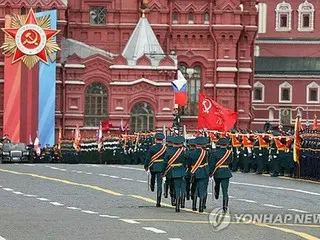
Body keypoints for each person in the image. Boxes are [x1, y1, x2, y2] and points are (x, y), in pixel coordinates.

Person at [163, 136, 187, 212]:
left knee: (171, 186)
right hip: (180, 171)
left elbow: (165, 162)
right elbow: (186, 162)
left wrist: (163, 171)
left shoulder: (168, 151)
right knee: (178, 188)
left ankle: (173, 198)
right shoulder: (184, 151)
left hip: (170, 171)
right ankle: (178, 203)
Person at [209, 137, 233, 213]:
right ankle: (225, 206)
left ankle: (216, 190)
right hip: (226, 171)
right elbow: (231, 161)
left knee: (217, 183)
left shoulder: (214, 153)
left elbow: (212, 164)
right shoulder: (229, 153)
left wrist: (211, 172)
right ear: (227, 145)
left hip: (217, 171)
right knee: (225, 191)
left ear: (219, 144)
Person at [144, 133, 167, 207]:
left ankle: (152, 185)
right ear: (162, 140)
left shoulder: (152, 148)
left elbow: (148, 158)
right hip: (161, 167)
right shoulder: (165, 148)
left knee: (153, 177)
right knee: (160, 184)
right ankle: (158, 201)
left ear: (155, 139)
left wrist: (146, 166)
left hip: (153, 166)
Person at [189, 137, 209, 213]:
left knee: (195, 189)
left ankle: (194, 206)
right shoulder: (206, 152)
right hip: (204, 171)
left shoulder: (191, 153)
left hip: (194, 171)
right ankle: (201, 207)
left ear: (196, 144)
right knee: (202, 189)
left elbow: (189, 163)